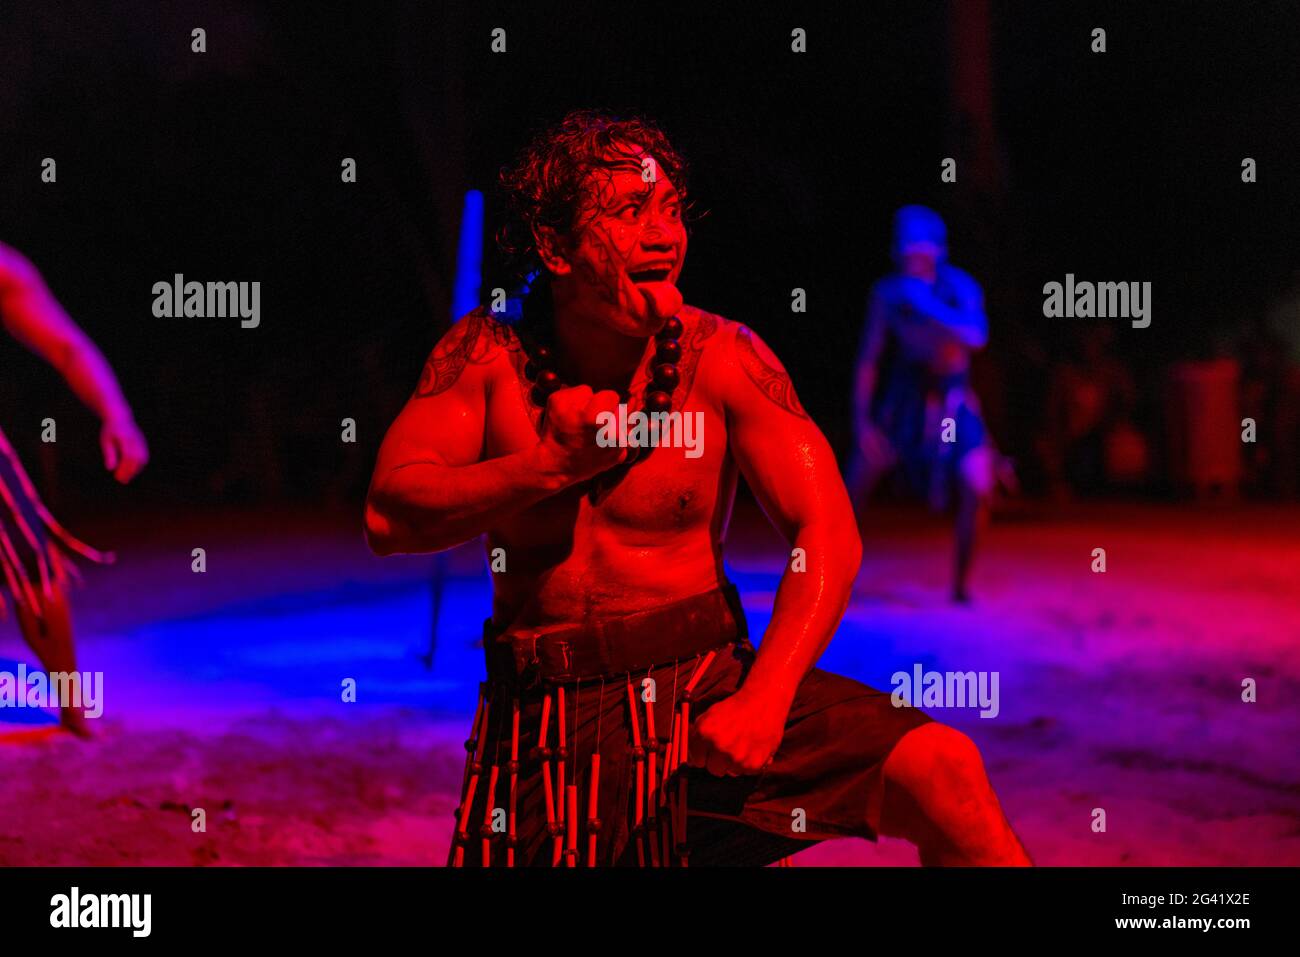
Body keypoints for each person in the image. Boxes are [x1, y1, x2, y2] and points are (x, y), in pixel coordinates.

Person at [366, 111, 1029, 866]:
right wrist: (549, 467)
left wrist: (766, 696)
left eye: (671, 211)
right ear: (554, 247)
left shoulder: (725, 358)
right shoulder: (486, 354)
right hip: (547, 734)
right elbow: (390, 513)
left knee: (942, 768)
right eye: (628, 212)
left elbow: (829, 532)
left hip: (708, 699)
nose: (662, 235)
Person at [0, 241, 149, 736]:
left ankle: (70, 706)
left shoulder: (5, 269)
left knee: (33, 571)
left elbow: (67, 346)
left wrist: (117, 416)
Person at [850, 206, 997, 603]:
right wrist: (862, 422)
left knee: (978, 483)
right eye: (908, 241)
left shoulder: (960, 288)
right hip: (906, 398)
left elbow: (976, 335)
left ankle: (962, 585)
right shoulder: (886, 295)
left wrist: (926, 306)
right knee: (854, 483)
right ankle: (832, 572)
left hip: (953, 398)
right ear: (897, 249)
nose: (916, 249)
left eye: (924, 241)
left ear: (940, 248)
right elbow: (869, 359)